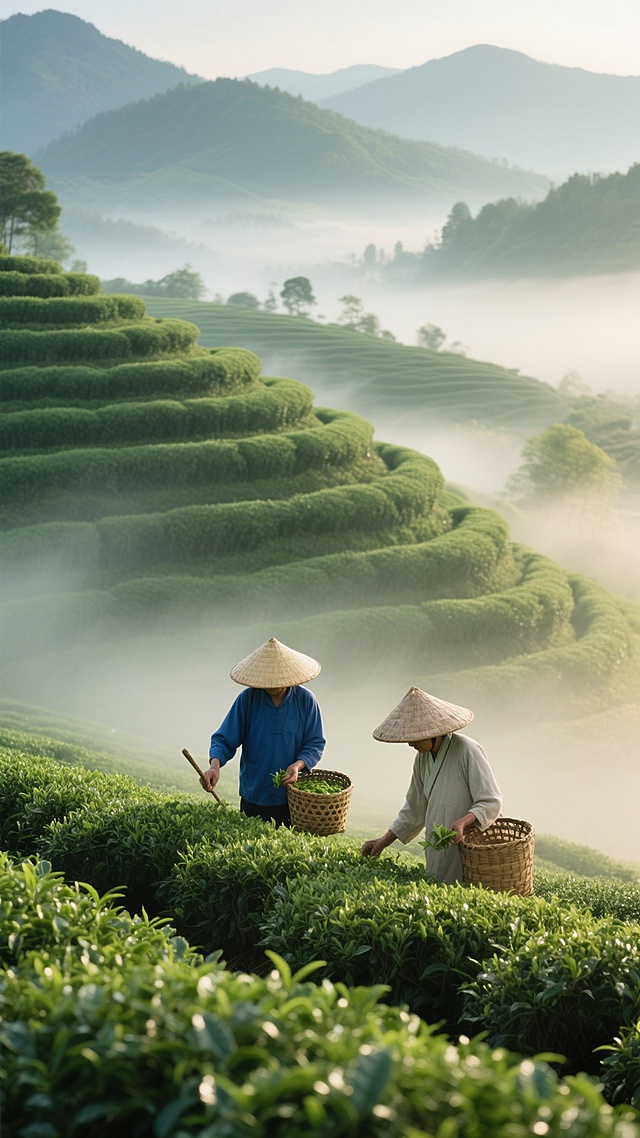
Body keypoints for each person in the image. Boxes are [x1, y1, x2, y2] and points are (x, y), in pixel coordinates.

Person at [361, 686, 501, 883]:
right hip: (437, 849)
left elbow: (490, 801)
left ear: (434, 733)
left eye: (415, 738)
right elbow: (414, 809)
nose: (410, 744)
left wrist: (463, 822)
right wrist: (382, 842)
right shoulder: (422, 759)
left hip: (468, 850)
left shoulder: (467, 750)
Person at [200, 636, 325, 825]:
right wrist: (214, 766)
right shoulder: (248, 699)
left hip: (291, 798)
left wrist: (297, 766)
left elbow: (315, 742)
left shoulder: (305, 700)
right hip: (253, 794)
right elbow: (224, 739)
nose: (271, 684)